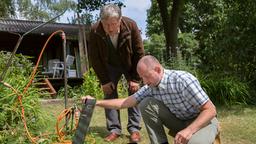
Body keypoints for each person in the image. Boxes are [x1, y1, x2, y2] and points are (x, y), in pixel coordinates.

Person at [83, 55, 219, 144]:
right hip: (180, 122)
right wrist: (96, 102)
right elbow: (125, 102)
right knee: (146, 104)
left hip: (203, 122)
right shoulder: (151, 86)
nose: (145, 82)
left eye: (147, 76)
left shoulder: (183, 80)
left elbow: (211, 110)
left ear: (158, 69)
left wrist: (189, 131)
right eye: (142, 78)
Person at [88, 3, 145, 142]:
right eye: (106, 24)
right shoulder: (95, 30)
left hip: (131, 64)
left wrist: (136, 79)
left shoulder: (131, 25)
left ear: (120, 20)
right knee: (109, 92)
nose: (110, 28)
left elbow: (139, 53)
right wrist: (104, 80)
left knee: (135, 92)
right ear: (101, 21)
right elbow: (94, 58)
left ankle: (134, 129)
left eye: (113, 24)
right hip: (109, 65)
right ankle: (114, 129)